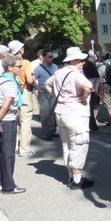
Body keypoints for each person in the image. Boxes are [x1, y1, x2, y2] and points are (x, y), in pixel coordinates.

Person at [45, 47, 94, 190]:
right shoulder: (75, 74)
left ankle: (71, 176)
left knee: (67, 145)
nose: (83, 63)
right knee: (78, 144)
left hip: (61, 113)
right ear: (73, 61)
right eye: (80, 60)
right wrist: (83, 97)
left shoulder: (58, 72)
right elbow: (89, 86)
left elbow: (47, 84)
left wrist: (58, 96)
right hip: (75, 114)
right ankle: (77, 180)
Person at [0, 55, 26, 194]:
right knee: (8, 153)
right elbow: (6, 105)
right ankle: (9, 186)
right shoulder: (10, 83)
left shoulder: (0, 80)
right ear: (10, 67)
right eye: (19, 66)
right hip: (6, 121)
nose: (21, 68)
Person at [8, 40, 36, 158]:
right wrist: (34, 80)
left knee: (14, 120)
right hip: (24, 92)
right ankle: (24, 149)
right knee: (25, 121)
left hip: (11, 92)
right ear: (20, 50)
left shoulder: (8, 62)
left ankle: (14, 147)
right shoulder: (25, 63)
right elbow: (29, 79)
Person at [34, 49, 58, 141]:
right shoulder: (38, 69)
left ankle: (52, 131)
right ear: (43, 58)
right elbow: (32, 80)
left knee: (53, 113)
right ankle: (45, 133)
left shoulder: (55, 66)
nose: (52, 58)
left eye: (52, 56)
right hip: (44, 93)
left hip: (53, 92)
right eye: (50, 57)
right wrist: (39, 89)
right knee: (45, 114)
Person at [82, 52, 101, 133]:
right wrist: (96, 87)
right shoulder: (91, 64)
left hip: (84, 89)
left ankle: (92, 127)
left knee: (87, 109)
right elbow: (98, 77)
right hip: (92, 89)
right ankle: (92, 127)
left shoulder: (81, 65)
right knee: (91, 108)